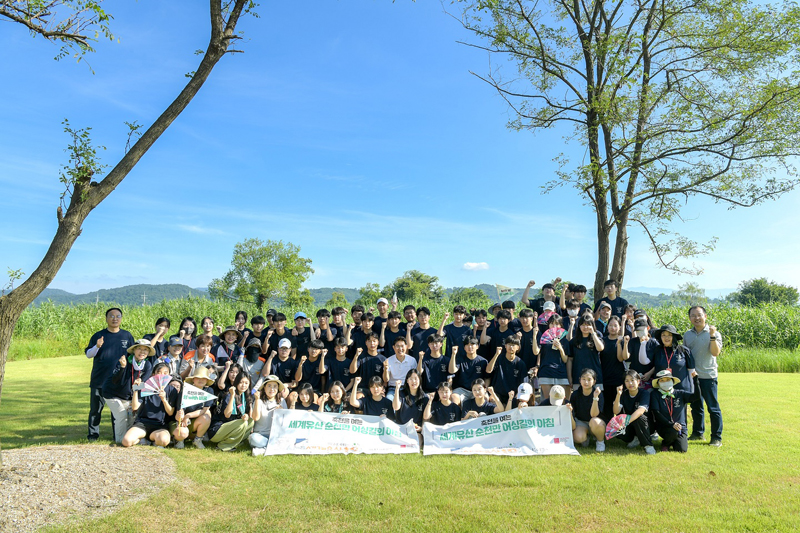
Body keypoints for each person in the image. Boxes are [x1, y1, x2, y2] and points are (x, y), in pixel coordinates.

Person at [85, 307, 136, 442]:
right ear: (106, 319)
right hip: (99, 380)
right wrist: (97, 346)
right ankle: (93, 436)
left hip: (118, 382)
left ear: (121, 319)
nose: (114, 318)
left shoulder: (127, 336)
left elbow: (133, 356)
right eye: (111, 316)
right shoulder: (98, 336)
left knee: (118, 412)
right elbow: (88, 355)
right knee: (95, 410)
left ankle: (118, 436)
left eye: (118, 316)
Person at [101, 338, 154, 444]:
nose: (142, 352)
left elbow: (143, 384)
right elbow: (115, 380)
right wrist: (122, 367)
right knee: (121, 416)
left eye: (145, 350)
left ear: (148, 353)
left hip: (129, 395)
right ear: (134, 350)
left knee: (131, 417)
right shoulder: (124, 360)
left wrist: (137, 390)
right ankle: (119, 441)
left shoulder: (147, 365)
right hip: (111, 393)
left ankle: (128, 439)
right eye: (139, 349)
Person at [684, 306, 723, 446]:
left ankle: (716, 437)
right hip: (693, 376)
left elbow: (715, 353)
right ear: (690, 318)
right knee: (696, 407)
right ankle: (697, 433)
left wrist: (712, 335)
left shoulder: (714, 333)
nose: (696, 318)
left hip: (709, 375)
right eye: (693, 315)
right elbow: (685, 356)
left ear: (705, 316)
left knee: (713, 407)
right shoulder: (687, 335)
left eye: (699, 315)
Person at [121, 363, 178, 448]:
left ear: (169, 375)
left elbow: (170, 412)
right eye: (159, 372)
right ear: (153, 374)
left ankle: (151, 440)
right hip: (142, 423)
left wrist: (164, 399)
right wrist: (136, 390)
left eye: (165, 373)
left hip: (160, 425)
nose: (162, 375)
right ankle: (142, 438)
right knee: (126, 441)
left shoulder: (172, 390)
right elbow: (135, 407)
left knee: (164, 440)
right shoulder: (145, 387)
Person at [650, 370, 701, 453]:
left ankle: (674, 441)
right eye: (662, 380)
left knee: (682, 449)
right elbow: (656, 413)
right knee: (672, 432)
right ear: (658, 383)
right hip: (665, 427)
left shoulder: (680, 393)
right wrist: (672, 424)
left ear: (672, 381)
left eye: (668, 380)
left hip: (681, 428)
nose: (665, 382)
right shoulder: (655, 394)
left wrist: (695, 380)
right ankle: (666, 443)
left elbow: (696, 396)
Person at [611, 370, 656, 455]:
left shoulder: (644, 393)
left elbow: (640, 411)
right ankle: (634, 439)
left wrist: (625, 422)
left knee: (639, 417)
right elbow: (615, 411)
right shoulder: (623, 394)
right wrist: (618, 395)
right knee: (615, 425)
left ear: (638, 381)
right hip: (630, 424)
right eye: (627, 381)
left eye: (632, 380)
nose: (630, 383)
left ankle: (648, 445)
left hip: (646, 425)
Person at [208, 371, 254, 452]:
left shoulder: (245, 395)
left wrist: (246, 415)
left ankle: (234, 442)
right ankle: (223, 445)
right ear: (236, 383)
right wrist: (232, 395)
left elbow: (251, 415)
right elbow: (227, 415)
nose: (244, 385)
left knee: (251, 422)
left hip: (230, 427)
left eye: (246, 383)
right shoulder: (229, 395)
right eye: (241, 382)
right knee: (242, 423)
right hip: (217, 430)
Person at [172, 366, 215, 449]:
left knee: (207, 415)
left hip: (195, 420)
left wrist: (188, 416)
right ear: (193, 379)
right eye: (198, 377)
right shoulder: (185, 390)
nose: (201, 380)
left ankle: (198, 439)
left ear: (207, 381)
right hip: (182, 421)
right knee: (182, 433)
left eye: (204, 378)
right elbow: (179, 410)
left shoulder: (209, 391)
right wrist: (182, 416)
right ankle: (179, 440)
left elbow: (204, 410)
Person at [569, 369, 606, 452]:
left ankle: (600, 442)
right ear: (580, 380)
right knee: (578, 437)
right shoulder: (575, 394)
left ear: (594, 381)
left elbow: (594, 414)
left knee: (595, 421)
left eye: (589, 379)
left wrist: (595, 397)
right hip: (581, 422)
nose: (586, 382)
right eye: (583, 379)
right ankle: (586, 437)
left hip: (595, 421)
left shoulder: (598, 393)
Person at [600, 316, 629, 422]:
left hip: (619, 378)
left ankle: (621, 428)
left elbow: (622, 359)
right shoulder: (603, 341)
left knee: (619, 404)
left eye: (615, 325)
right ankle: (608, 427)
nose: (612, 328)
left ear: (620, 327)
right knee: (607, 405)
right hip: (605, 377)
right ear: (607, 327)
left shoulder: (622, 341)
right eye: (610, 325)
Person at [250, 375, 287, 456]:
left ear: (278, 389)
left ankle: (263, 450)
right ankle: (273, 448)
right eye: (269, 386)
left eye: (275, 386)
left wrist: (280, 413)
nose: (272, 389)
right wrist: (256, 400)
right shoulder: (259, 401)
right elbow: (255, 418)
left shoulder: (282, 401)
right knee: (253, 439)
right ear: (264, 388)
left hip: (275, 435)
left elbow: (285, 423)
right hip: (260, 435)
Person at [486, 336, 528, 405]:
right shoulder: (499, 358)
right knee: (492, 400)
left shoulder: (520, 363)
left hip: (513, 395)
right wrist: (496, 354)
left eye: (513, 345)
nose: (511, 347)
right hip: (498, 393)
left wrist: (517, 395)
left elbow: (524, 383)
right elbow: (488, 370)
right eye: (509, 344)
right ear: (505, 346)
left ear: (518, 347)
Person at [567, 316, 605, 391]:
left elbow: (600, 348)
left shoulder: (596, 339)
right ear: (579, 326)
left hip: (595, 376)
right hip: (578, 376)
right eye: (583, 325)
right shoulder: (574, 341)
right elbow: (570, 360)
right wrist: (570, 377)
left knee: (596, 400)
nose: (585, 327)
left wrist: (593, 333)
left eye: (588, 325)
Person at [449, 336, 489, 401]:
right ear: (464, 348)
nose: (470, 347)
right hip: (462, 389)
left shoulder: (483, 361)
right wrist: (453, 354)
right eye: (467, 345)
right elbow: (451, 371)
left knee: (485, 398)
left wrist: (484, 390)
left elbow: (487, 378)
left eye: (472, 344)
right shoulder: (460, 359)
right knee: (454, 397)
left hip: (477, 389)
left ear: (477, 346)